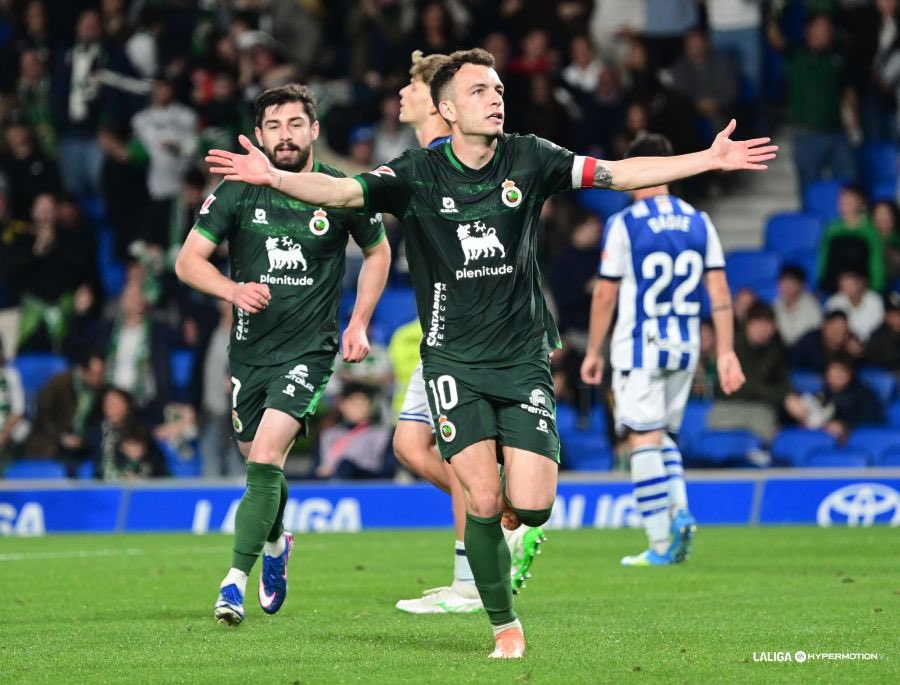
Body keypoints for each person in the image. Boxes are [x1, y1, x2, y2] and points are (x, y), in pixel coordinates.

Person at [205, 48, 775, 659]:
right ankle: (504, 626)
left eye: (498, 88)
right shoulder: (417, 173)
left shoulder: (531, 158)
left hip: (523, 357)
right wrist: (278, 178)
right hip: (453, 363)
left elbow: (617, 172)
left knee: (530, 505)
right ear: (447, 110)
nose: (496, 97)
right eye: (480, 90)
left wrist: (708, 161)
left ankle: (507, 530)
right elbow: (344, 191)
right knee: (478, 497)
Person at [176, 84, 390, 627]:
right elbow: (187, 262)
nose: (285, 136)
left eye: (295, 124)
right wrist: (232, 290)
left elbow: (378, 251)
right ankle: (276, 546)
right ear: (261, 133)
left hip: (310, 351)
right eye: (274, 126)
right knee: (257, 460)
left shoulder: (338, 191)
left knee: (268, 456)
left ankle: (233, 583)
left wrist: (359, 320)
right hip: (249, 353)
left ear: (314, 130)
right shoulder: (235, 192)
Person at [391, 50, 548, 617]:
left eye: (408, 87)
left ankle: (478, 557)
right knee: (411, 446)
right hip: (441, 326)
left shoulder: (442, 156)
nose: (400, 97)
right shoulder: (417, 158)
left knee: (448, 456)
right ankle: (485, 532)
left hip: (464, 333)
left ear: (437, 103)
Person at [580, 133, 746, 568]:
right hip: (685, 348)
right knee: (661, 435)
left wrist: (594, 350)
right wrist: (726, 351)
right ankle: (681, 513)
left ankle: (657, 545)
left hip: (639, 347)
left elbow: (605, 295)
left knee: (641, 439)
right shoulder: (699, 220)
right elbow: (720, 290)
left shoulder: (626, 223)